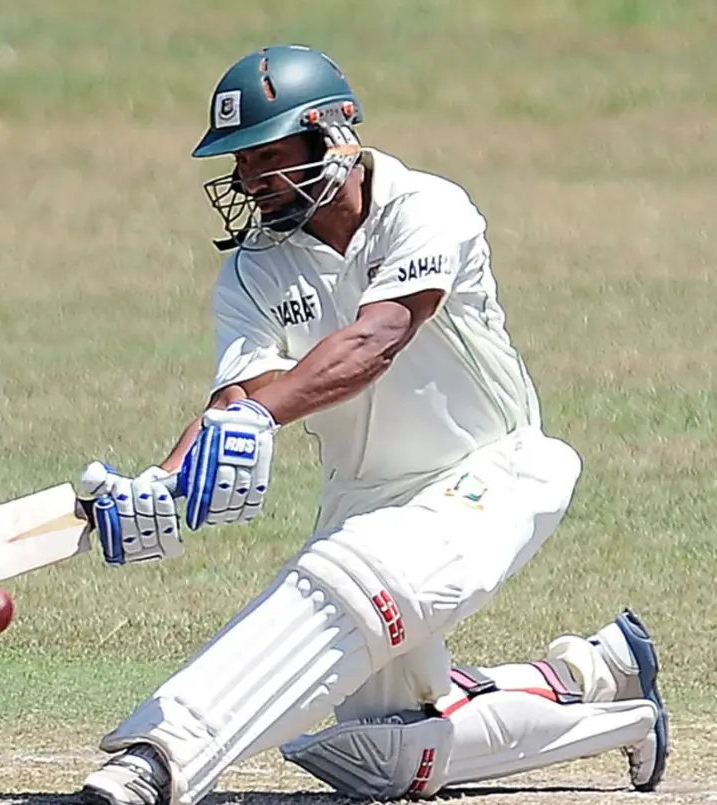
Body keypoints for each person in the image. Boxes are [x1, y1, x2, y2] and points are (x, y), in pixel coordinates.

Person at [73, 44, 668, 805]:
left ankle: (157, 758)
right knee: (383, 754)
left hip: (491, 473)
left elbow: (374, 341)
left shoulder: (426, 207)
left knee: (355, 570)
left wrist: (257, 413)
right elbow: (242, 398)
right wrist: (161, 481)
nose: (251, 181)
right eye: (240, 163)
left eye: (269, 157)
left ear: (333, 135)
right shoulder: (253, 269)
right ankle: (603, 687)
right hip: (365, 498)